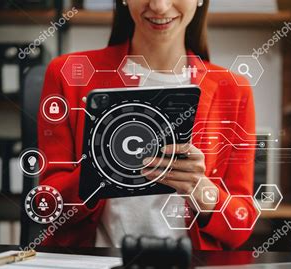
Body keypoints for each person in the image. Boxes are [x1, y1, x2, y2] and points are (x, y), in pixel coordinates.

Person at [38, 0, 257, 250]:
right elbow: (48, 207)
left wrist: (201, 190)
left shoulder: (233, 90)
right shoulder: (67, 74)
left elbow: (241, 225)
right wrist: (99, 170)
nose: (160, 7)